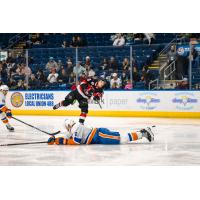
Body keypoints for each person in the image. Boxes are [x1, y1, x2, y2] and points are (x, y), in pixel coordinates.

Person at [47, 119, 154, 145]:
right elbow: (67, 136)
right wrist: (55, 138)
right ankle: (141, 133)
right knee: (122, 138)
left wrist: (58, 141)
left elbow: (76, 142)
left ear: (69, 126)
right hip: (100, 136)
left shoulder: (77, 128)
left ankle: (143, 133)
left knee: (122, 139)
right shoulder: (74, 128)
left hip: (100, 135)